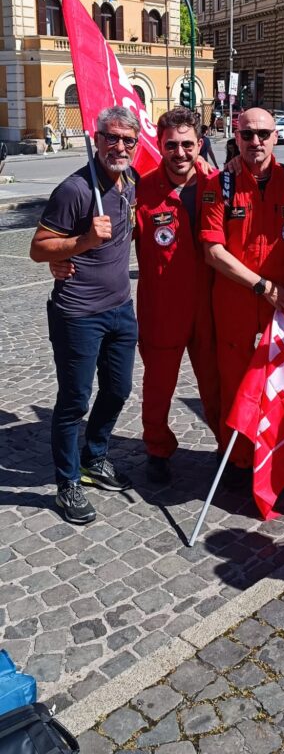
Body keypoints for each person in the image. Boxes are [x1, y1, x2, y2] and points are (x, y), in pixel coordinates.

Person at [200, 107, 284, 508]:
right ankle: (240, 462)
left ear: (276, 136)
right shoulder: (219, 184)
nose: (255, 141)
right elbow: (212, 251)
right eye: (247, 134)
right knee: (236, 387)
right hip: (237, 303)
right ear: (236, 137)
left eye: (263, 134)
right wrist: (261, 286)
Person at [30, 106, 140, 525]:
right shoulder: (75, 189)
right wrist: (83, 242)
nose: (119, 146)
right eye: (112, 137)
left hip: (120, 309)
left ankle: (95, 458)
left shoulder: (131, 181)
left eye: (127, 140)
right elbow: (39, 248)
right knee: (74, 401)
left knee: (118, 389)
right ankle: (67, 483)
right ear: (97, 139)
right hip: (78, 315)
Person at [136, 107, 220, 483]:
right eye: (172, 145)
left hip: (209, 306)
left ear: (200, 144)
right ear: (159, 145)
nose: (180, 152)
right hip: (162, 307)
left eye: (187, 144)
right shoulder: (140, 189)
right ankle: (157, 449)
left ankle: (229, 447)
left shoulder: (218, 183)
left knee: (216, 386)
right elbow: (110, 242)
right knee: (158, 386)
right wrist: (66, 259)